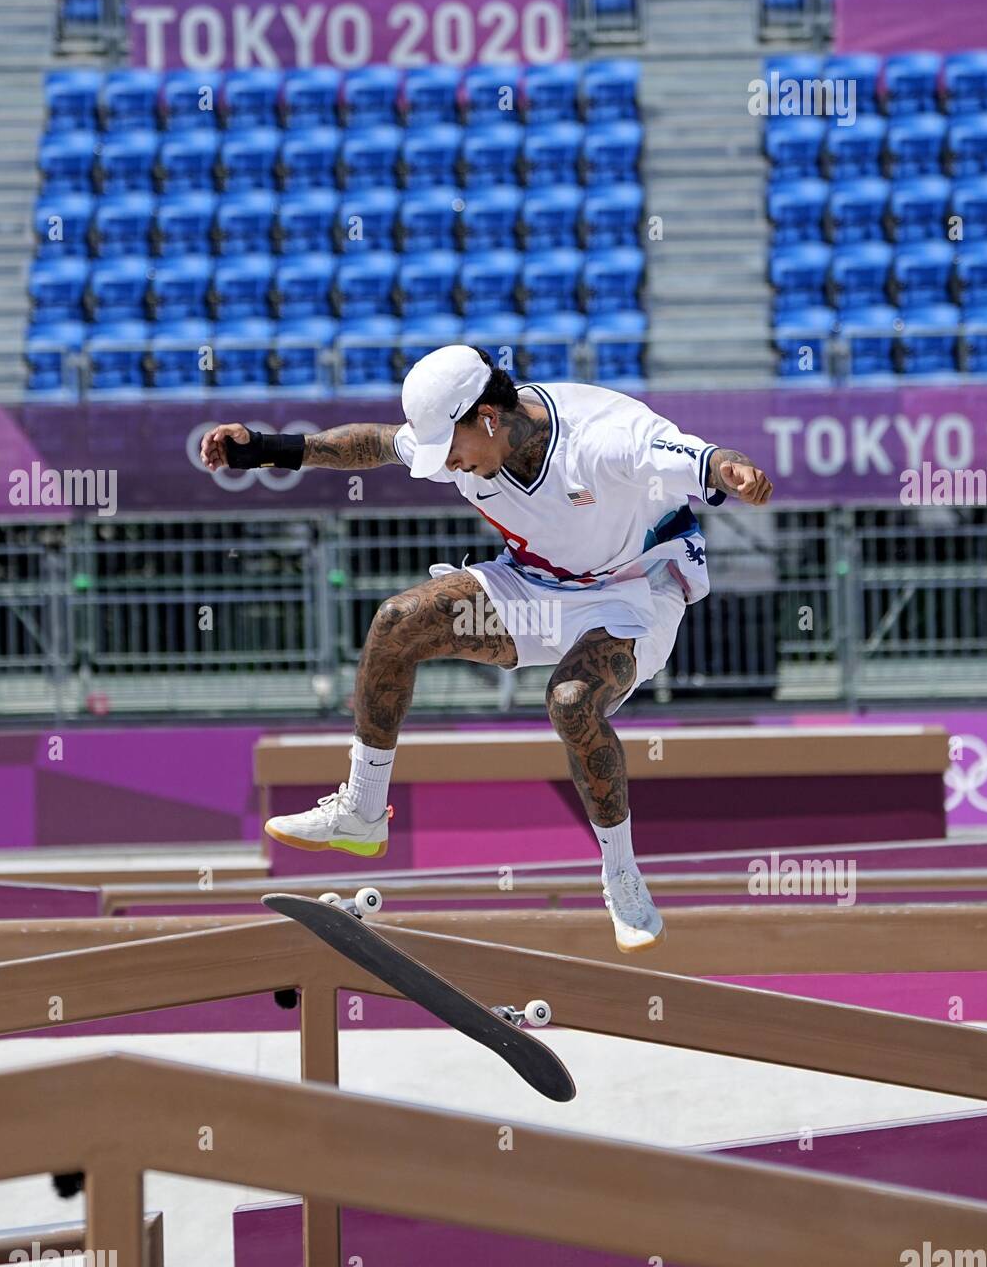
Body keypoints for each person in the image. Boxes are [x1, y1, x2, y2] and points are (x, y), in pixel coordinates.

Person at [200, 345, 772, 951]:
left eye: (452, 450)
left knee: (572, 702)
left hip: (634, 591)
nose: (449, 466)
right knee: (397, 622)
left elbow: (698, 456)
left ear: (489, 419)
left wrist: (734, 472)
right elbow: (374, 443)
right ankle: (362, 811)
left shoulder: (603, 439)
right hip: (536, 585)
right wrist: (264, 448)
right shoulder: (466, 436)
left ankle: (622, 876)